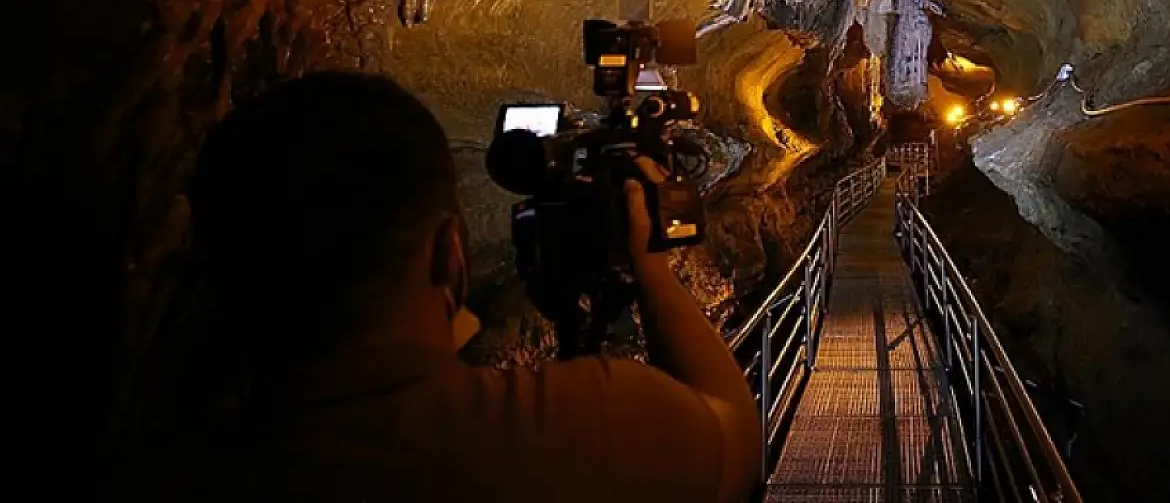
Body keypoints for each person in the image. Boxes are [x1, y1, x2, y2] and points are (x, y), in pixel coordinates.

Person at [150, 71, 760, 502]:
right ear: (450, 256)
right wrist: (651, 269)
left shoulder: (161, 477)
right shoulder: (589, 427)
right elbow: (735, 436)